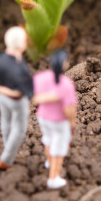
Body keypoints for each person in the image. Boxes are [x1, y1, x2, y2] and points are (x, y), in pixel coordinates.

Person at [0, 26, 34, 170]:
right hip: (16, 100)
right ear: (22, 44)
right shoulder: (21, 69)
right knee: (19, 130)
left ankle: (7, 145)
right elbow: (26, 91)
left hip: (2, 98)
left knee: (6, 121)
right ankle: (6, 159)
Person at [31, 49, 77, 190]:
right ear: (65, 64)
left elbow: (33, 97)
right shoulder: (66, 84)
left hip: (43, 117)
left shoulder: (41, 77)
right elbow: (68, 109)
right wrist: (72, 122)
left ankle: (49, 162)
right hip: (59, 121)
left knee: (48, 139)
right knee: (59, 148)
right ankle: (53, 178)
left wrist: (47, 97)